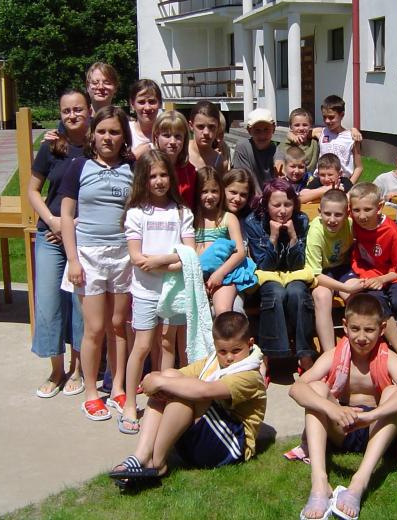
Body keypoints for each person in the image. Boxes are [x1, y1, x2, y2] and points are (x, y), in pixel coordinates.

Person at [289, 293, 397, 520]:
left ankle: (358, 483)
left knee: (393, 392)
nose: (361, 337)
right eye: (355, 329)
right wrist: (332, 409)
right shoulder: (333, 355)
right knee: (316, 388)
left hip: (376, 431)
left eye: (369, 330)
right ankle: (319, 483)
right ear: (345, 326)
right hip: (342, 426)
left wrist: (372, 416)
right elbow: (296, 388)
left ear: (382, 328)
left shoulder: (388, 357)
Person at [109, 312, 266, 484]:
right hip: (202, 443)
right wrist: (154, 378)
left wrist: (159, 382)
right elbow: (174, 375)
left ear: (250, 344)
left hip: (231, 448)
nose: (229, 358)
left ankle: (157, 463)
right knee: (171, 378)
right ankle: (142, 455)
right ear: (215, 347)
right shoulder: (213, 361)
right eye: (222, 351)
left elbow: (205, 391)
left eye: (236, 351)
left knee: (185, 391)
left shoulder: (251, 376)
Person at [60, 106, 135, 420]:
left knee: (118, 326)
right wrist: (73, 260)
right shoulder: (79, 167)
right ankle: (91, 393)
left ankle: (117, 387)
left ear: (123, 136)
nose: (108, 137)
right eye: (102, 131)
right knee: (94, 328)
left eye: (114, 132)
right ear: (93, 135)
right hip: (89, 256)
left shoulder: (132, 167)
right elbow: (66, 215)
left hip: (123, 256)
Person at [121, 150, 195, 434]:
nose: (159, 180)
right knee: (141, 347)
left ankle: (162, 399)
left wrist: (159, 261)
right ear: (143, 179)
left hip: (174, 292)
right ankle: (129, 404)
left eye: (164, 174)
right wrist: (171, 261)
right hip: (145, 292)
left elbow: (188, 255)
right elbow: (136, 257)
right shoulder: (136, 214)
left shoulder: (182, 212)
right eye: (153, 176)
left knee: (167, 345)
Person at [29, 89, 89, 399]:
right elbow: (32, 191)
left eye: (78, 109)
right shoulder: (51, 146)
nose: (72, 115)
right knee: (48, 302)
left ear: (89, 110)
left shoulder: (97, 146)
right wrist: (53, 221)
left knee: (80, 305)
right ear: (60, 114)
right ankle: (56, 369)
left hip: (84, 236)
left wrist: (72, 225)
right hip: (50, 235)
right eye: (67, 111)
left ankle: (78, 368)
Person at [244, 179, 316, 376]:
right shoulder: (253, 222)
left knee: (298, 293)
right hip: (267, 276)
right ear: (266, 205)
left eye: (288, 204)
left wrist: (293, 237)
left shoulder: (300, 221)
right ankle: (267, 357)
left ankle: (305, 355)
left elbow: (298, 265)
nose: (283, 211)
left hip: (294, 274)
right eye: (276, 205)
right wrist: (273, 238)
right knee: (275, 293)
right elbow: (264, 266)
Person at [347, 182, 397, 374]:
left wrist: (382, 279)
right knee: (376, 302)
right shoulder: (354, 225)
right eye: (356, 210)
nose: (361, 216)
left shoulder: (391, 232)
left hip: (393, 277)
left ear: (379, 207)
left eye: (367, 210)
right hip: (369, 276)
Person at [307, 189, 363, 353]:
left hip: (343, 269)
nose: (332, 220)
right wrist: (344, 287)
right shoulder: (315, 232)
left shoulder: (350, 225)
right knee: (322, 296)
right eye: (327, 214)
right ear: (319, 212)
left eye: (338, 215)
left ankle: (359, 347)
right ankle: (329, 353)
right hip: (322, 272)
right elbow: (315, 274)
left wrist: (348, 289)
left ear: (347, 214)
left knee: (356, 295)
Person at [193, 167, 248, 315]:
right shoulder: (191, 219)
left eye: (214, 191)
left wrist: (220, 274)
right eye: (204, 191)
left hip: (224, 275)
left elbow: (240, 252)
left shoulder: (228, 218)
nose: (210, 196)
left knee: (223, 311)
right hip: (197, 275)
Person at [231, 107, 285, 194]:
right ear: (249, 130)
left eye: (266, 129)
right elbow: (243, 180)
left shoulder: (277, 151)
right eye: (257, 130)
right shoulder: (243, 148)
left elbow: (280, 161)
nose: (262, 135)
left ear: (273, 129)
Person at [153, 110, 197, 210]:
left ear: (184, 139)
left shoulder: (190, 171)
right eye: (166, 135)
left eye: (178, 136)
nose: (172, 141)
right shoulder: (147, 167)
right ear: (156, 136)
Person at [316, 95, 363, 184]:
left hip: (342, 181)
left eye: (331, 117)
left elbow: (359, 167)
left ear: (342, 115)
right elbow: (301, 131)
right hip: (322, 180)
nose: (327, 121)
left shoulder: (352, 138)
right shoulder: (321, 132)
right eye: (324, 117)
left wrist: (349, 185)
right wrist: (291, 134)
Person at [188, 101, 228, 174]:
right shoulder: (182, 153)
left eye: (211, 127)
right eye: (200, 126)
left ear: (218, 127)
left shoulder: (220, 163)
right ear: (191, 126)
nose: (206, 132)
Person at [279, 108, 320, 174]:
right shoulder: (286, 144)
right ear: (291, 127)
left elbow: (325, 130)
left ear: (310, 126)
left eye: (305, 125)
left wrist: (312, 132)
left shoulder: (314, 142)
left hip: (311, 178)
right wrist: (289, 134)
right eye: (297, 125)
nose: (301, 128)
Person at [128, 79, 162, 158]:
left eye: (152, 101)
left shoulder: (167, 132)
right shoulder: (125, 131)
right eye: (141, 102)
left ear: (160, 103)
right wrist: (134, 156)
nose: (147, 107)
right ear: (132, 104)